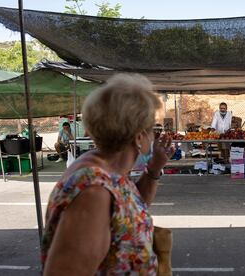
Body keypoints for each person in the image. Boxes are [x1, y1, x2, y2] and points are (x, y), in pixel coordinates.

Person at [42, 74, 175, 275]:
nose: (153, 138)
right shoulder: (93, 190)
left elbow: (130, 210)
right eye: (152, 131)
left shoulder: (109, 172)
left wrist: (154, 169)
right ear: (139, 136)